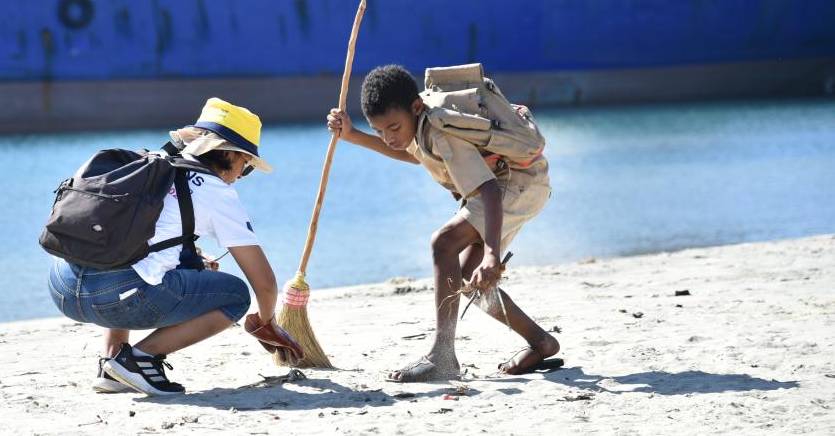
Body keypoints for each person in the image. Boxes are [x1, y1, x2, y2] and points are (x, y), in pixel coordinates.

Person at [48, 98, 300, 396]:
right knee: (235, 295)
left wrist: (193, 262)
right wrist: (266, 322)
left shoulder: (150, 164)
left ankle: (111, 363)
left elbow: (133, 237)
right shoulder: (216, 192)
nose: (241, 177)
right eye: (246, 166)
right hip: (115, 298)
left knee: (124, 258)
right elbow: (266, 284)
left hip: (62, 288)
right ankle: (139, 360)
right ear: (230, 153)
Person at [327, 65, 560, 381]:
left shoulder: (438, 129)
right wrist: (353, 135)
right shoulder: (421, 124)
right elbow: (414, 154)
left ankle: (442, 356)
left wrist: (492, 255)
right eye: (380, 130)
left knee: (444, 242)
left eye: (393, 127)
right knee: (467, 279)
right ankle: (541, 342)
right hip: (518, 183)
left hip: (517, 182)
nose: (388, 137)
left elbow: (489, 190)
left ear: (416, 107)